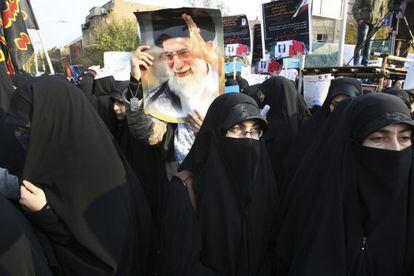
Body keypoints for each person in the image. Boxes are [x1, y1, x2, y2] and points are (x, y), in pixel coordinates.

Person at [6, 75, 153, 275]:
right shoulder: (61, 157)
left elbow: (100, 258)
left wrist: (44, 212)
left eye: (29, 126)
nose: (22, 135)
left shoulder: (97, 173)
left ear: (50, 120)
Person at [276, 93, 414, 275]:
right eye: (378, 138)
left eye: (404, 138)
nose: (396, 149)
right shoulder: (320, 201)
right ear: (352, 144)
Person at [160, 93, 280, 276]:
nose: (248, 138)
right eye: (237, 129)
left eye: (254, 130)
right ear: (216, 133)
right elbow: (183, 265)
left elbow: (272, 246)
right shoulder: (186, 189)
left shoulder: (264, 182)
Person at [279, 77, 362, 199]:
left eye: (348, 104)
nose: (341, 111)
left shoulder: (363, 134)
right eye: (336, 104)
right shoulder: (312, 129)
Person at [140, 9, 221, 120]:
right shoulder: (156, 100)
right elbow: (144, 132)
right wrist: (134, 82)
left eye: (183, 53)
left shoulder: (225, 86)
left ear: (208, 47)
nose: (177, 66)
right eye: (168, 55)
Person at [243, 76, 310, 180]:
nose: (263, 98)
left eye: (265, 94)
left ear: (273, 95)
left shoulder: (272, 127)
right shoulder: (305, 121)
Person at [352, 0, 390, 65]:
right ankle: (356, 64)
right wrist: (359, 19)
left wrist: (379, 20)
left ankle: (365, 63)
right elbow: (355, 7)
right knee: (361, 42)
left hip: (374, 23)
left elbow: (382, 10)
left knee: (369, 43)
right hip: (364, 21)